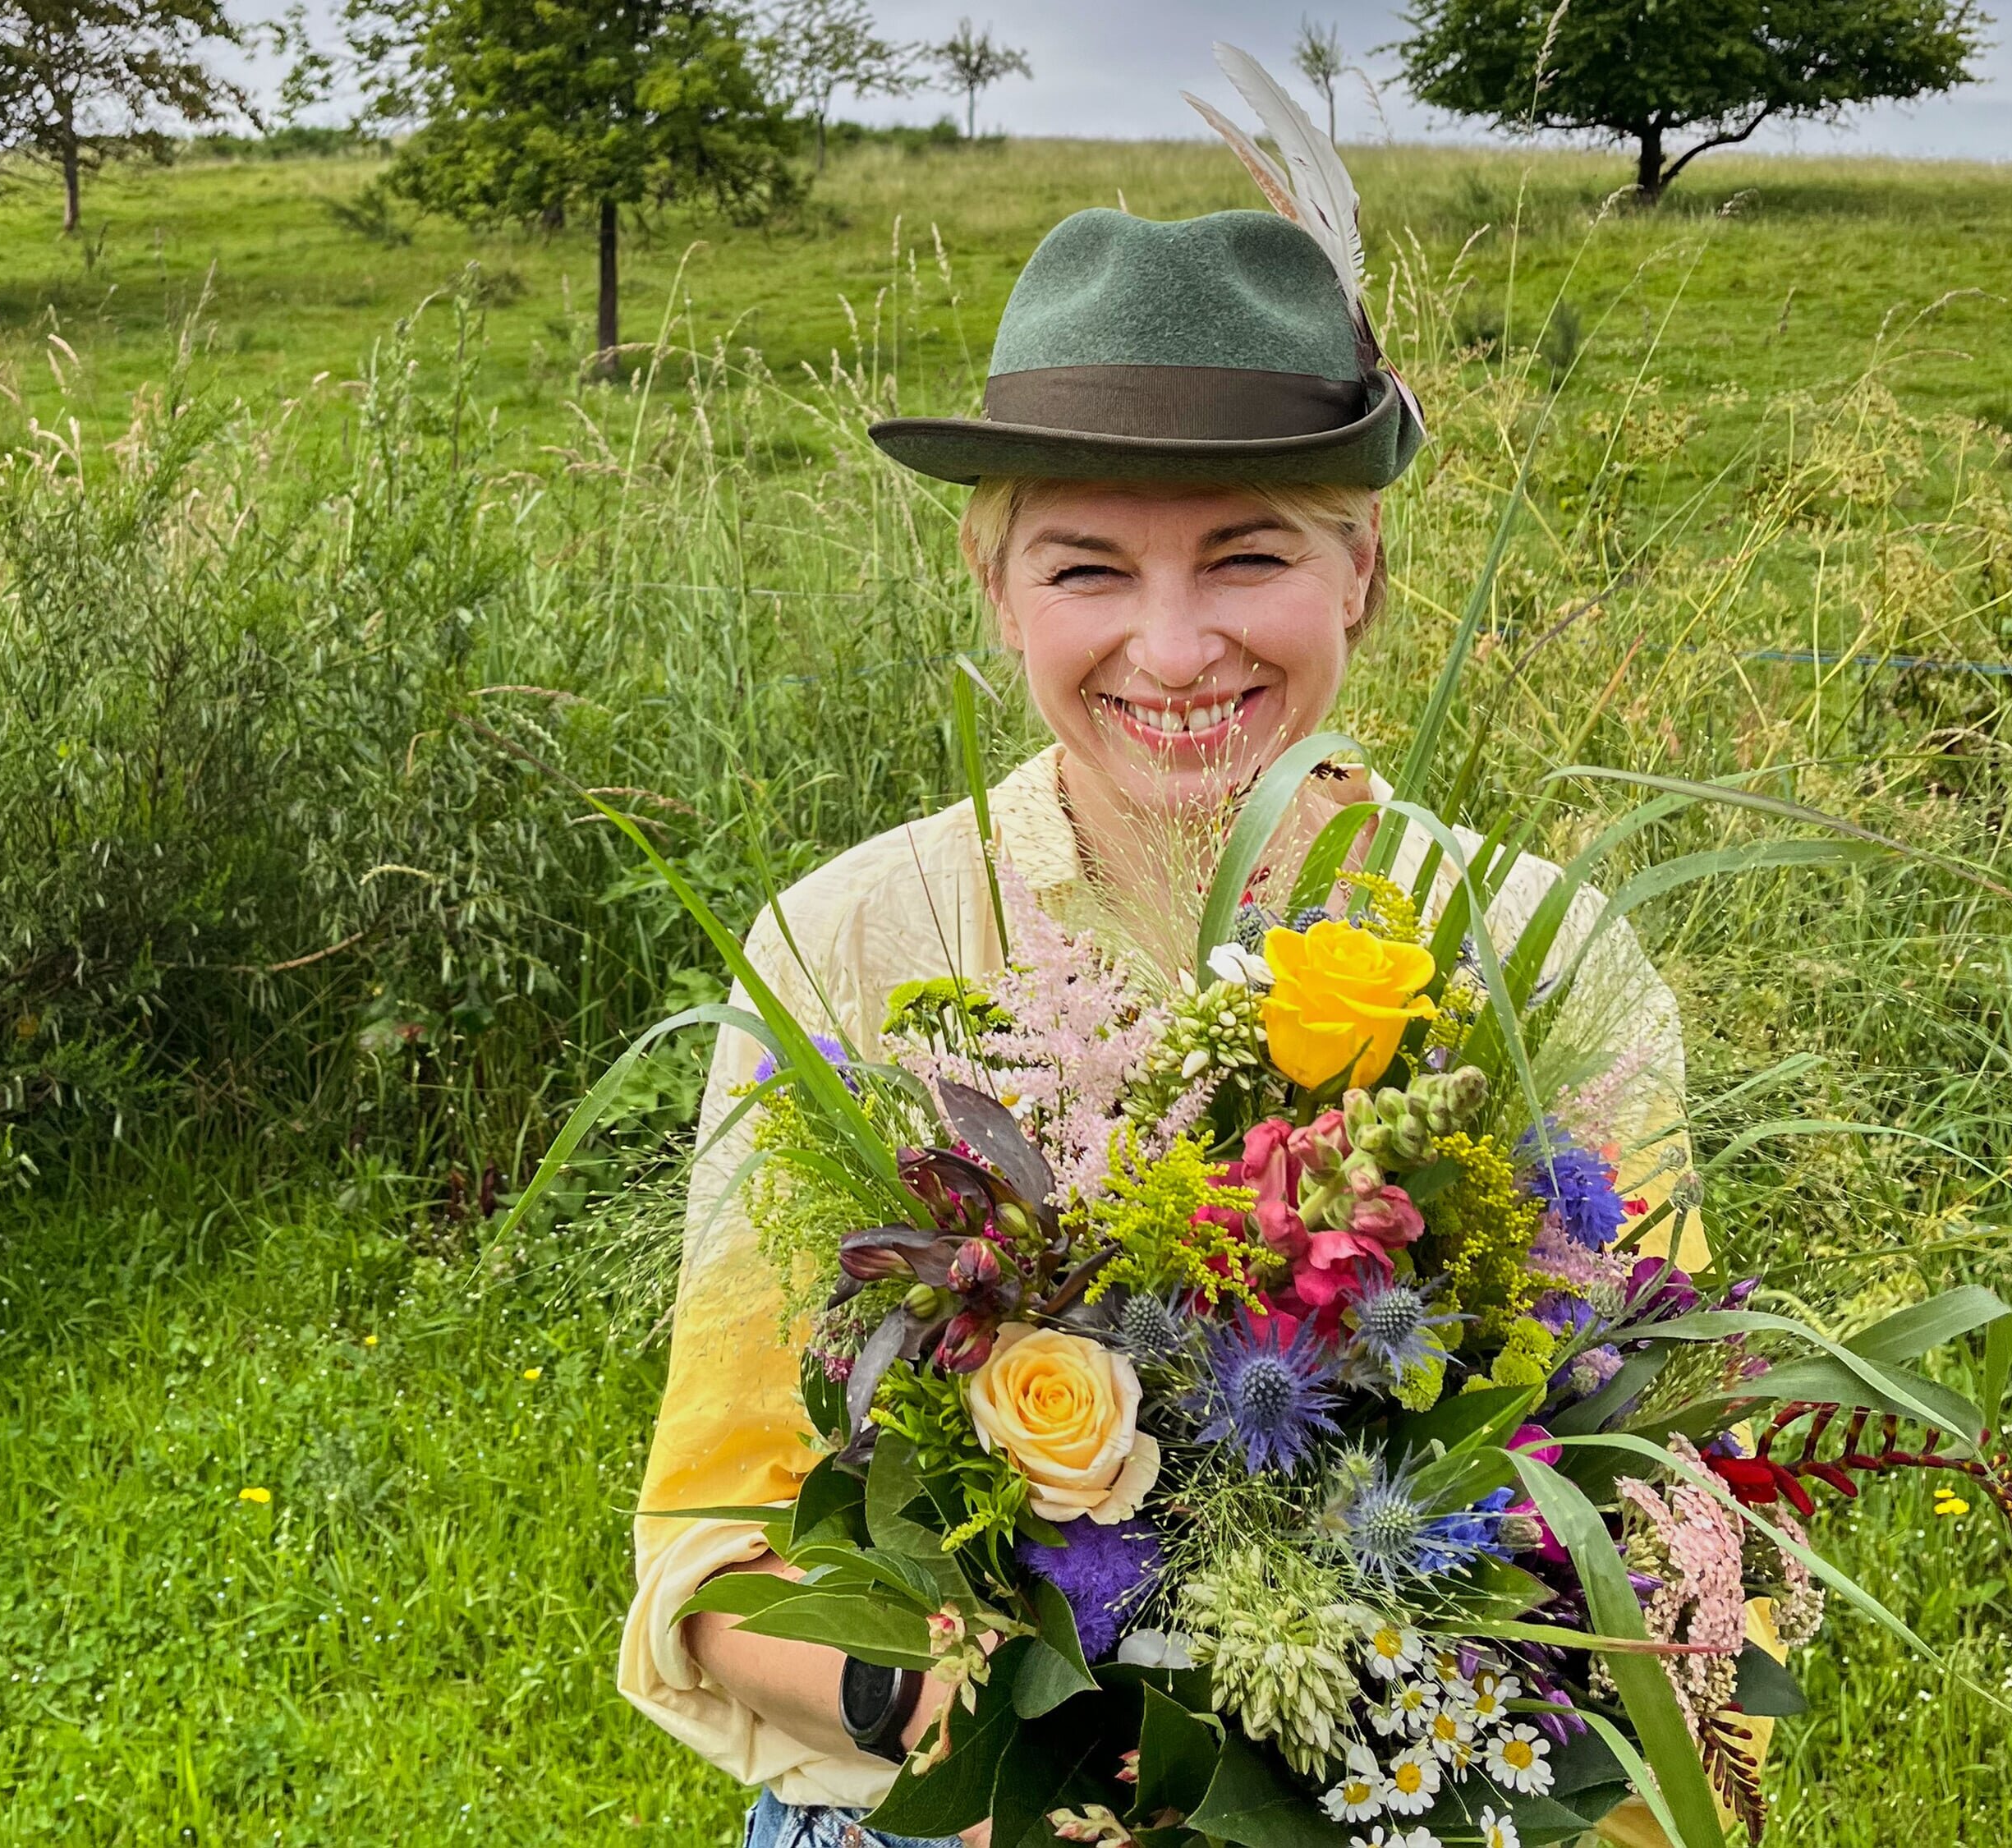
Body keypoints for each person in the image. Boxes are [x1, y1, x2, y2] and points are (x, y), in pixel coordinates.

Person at [613, 201, 1729, 1848]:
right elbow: (706, 1560)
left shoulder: (1537, 955)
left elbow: (1683, 1514)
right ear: (996, 591)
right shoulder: (846, 948)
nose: (1172, 645)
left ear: (1360, 572)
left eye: (1247, 554)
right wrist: (982, 1720)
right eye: (1085, 568)